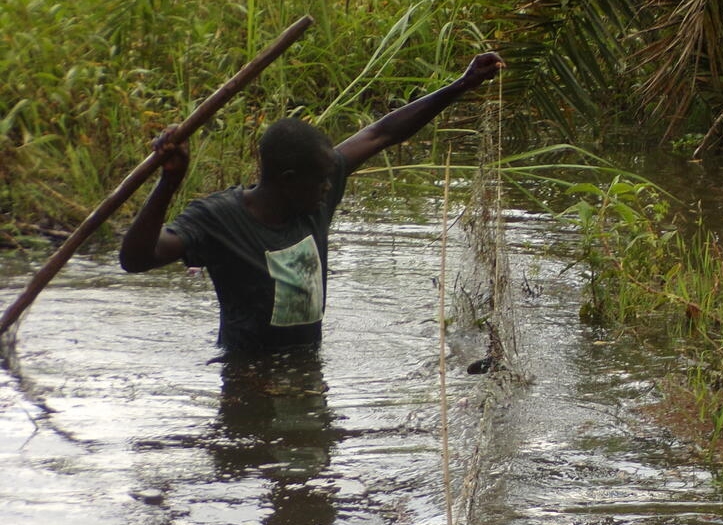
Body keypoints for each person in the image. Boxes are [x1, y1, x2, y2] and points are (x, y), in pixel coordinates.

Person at [119, 51, 506, 355]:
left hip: (306, 363)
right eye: (321, 180)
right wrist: (169, 182)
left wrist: (461, 84)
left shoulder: (312, 199)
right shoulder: (219, 218)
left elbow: (382, 133)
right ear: (288, 181)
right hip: (246, 372)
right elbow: (137, 259)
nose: (330, 186)